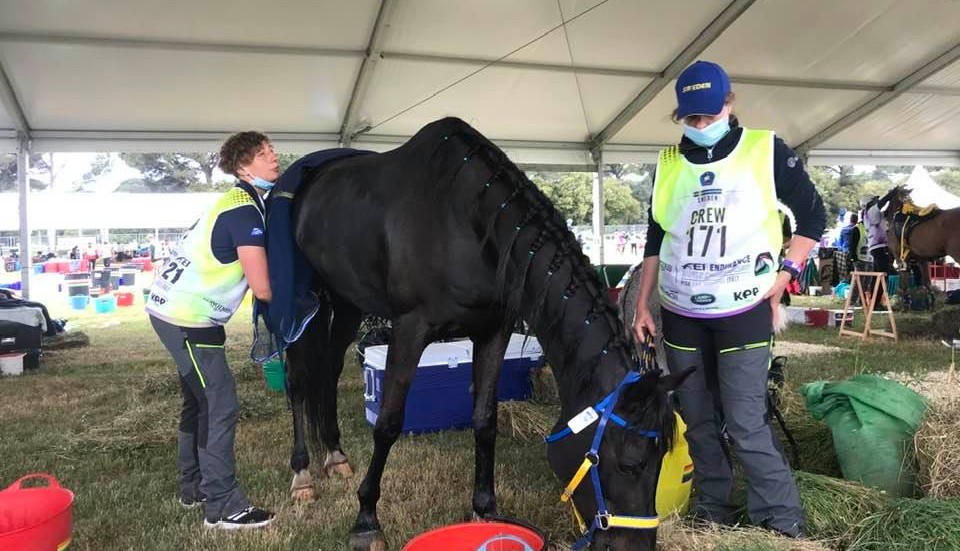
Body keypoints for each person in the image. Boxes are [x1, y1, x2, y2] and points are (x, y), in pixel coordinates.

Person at [631, 61, 826, 538]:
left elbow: (813, 219)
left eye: (708, 114)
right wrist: (641, 304)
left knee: (745, 423)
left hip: (742, 309)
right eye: (690, 119)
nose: (699, 125)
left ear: (729, 103)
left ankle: (780, 524)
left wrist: (785, 276)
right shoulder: (669, 163)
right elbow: (656, 240)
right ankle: (713, 511)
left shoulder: (765, 149)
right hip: (681, 312)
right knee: (696, 420)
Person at [146, 131, 278, 530]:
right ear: (243, 167)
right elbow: (263, 288)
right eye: (262, 153)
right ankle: (223, 506)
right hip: (190, 321)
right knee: (220, 405)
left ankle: (193, 487)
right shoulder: (244, 212)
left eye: (271, 149)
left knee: (199, 402)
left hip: (169, 310)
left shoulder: (234, 200)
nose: (273, 156)